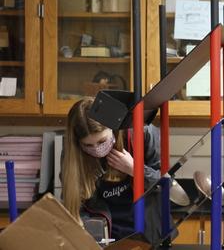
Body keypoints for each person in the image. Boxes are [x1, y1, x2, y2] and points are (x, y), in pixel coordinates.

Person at [62, 97, 165, 245]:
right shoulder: (73, 153)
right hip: (104, 236)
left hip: (147, 232)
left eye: (102, 141)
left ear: (112, 128)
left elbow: (166, 186)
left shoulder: (143, 132)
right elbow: (75, 203)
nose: (96, 148)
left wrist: (135, 169)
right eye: (88, 145)